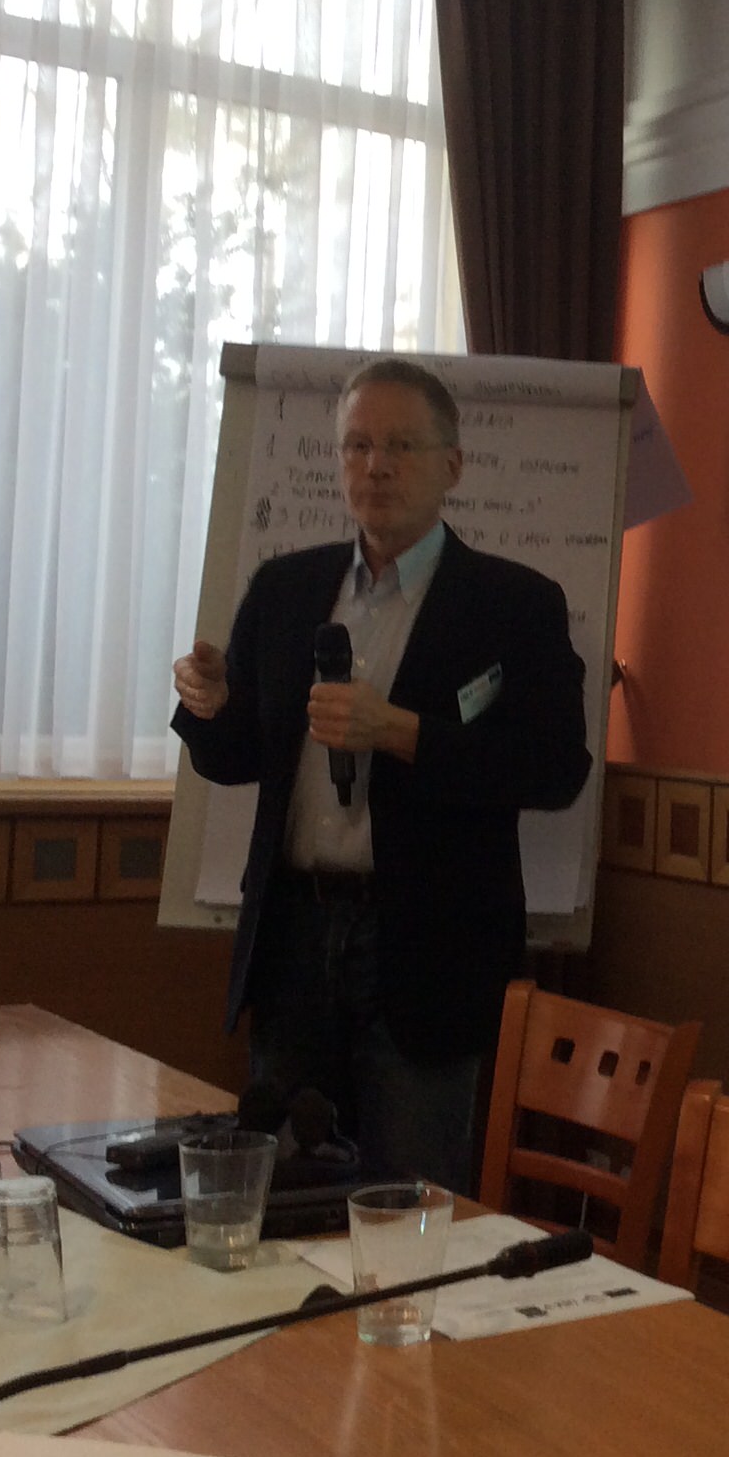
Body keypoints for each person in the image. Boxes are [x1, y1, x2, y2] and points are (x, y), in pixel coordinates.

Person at [172, 358, 590, 1187]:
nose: (376, 466)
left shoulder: (513, 604)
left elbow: (554, 769)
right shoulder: (285, 589)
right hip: (295, 937)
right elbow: (239, 757)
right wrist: (211, 704)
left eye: (401, 445)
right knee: (287, 1191)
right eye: (358, 445)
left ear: (452, 464)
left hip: (429, 948)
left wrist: (403, 733)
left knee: (411, 1201)